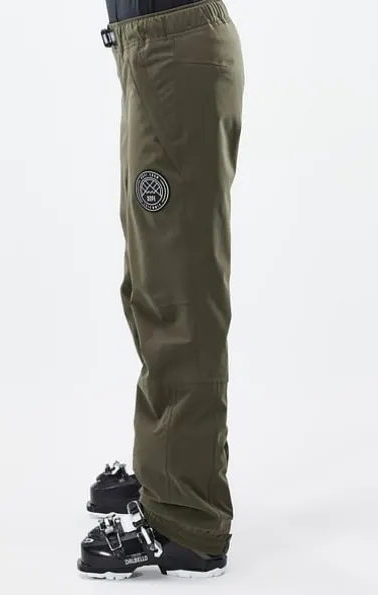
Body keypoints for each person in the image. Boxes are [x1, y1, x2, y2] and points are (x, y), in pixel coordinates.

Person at [77, 0, 244, 579]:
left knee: (178, 290)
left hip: (171, 51)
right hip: (154, 51)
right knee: (153, 280)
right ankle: (169, 470)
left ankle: (185, 518)